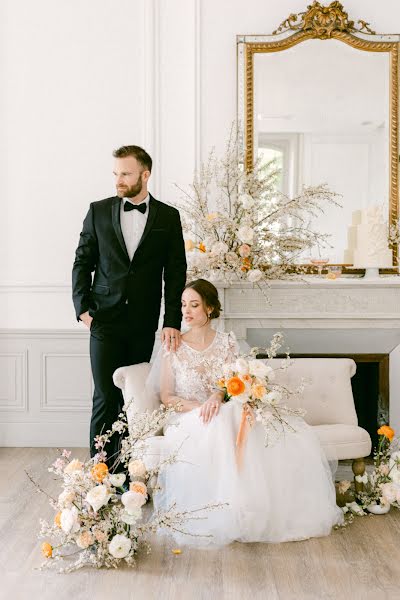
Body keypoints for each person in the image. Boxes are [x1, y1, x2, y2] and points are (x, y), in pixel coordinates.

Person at [151, 279, 342, 546]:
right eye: (183, 305)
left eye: (194, 304)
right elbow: (167, 397)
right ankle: (228, 510)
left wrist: (217, 397)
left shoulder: (227, 343)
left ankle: (252, 508)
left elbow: (235, 384)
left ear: (210, 308)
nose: (186, 311)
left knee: (244, 418)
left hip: (225, 411)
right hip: (188, 417)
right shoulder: (173, 346)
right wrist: (201, 408)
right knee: (220, 421)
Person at [72, 145, 187, 468]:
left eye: (125, 173)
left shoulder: (168, 217)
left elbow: (176, 272)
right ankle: (102, 475)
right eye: (116, 173)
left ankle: (131, 471)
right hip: (103, 320)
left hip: (143, 321)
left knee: (135, 399)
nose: (118, 180)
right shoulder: (98, 211)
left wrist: (171, 321)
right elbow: (82, 263)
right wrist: (84, 310)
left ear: (145, 174)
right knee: (105, 398)